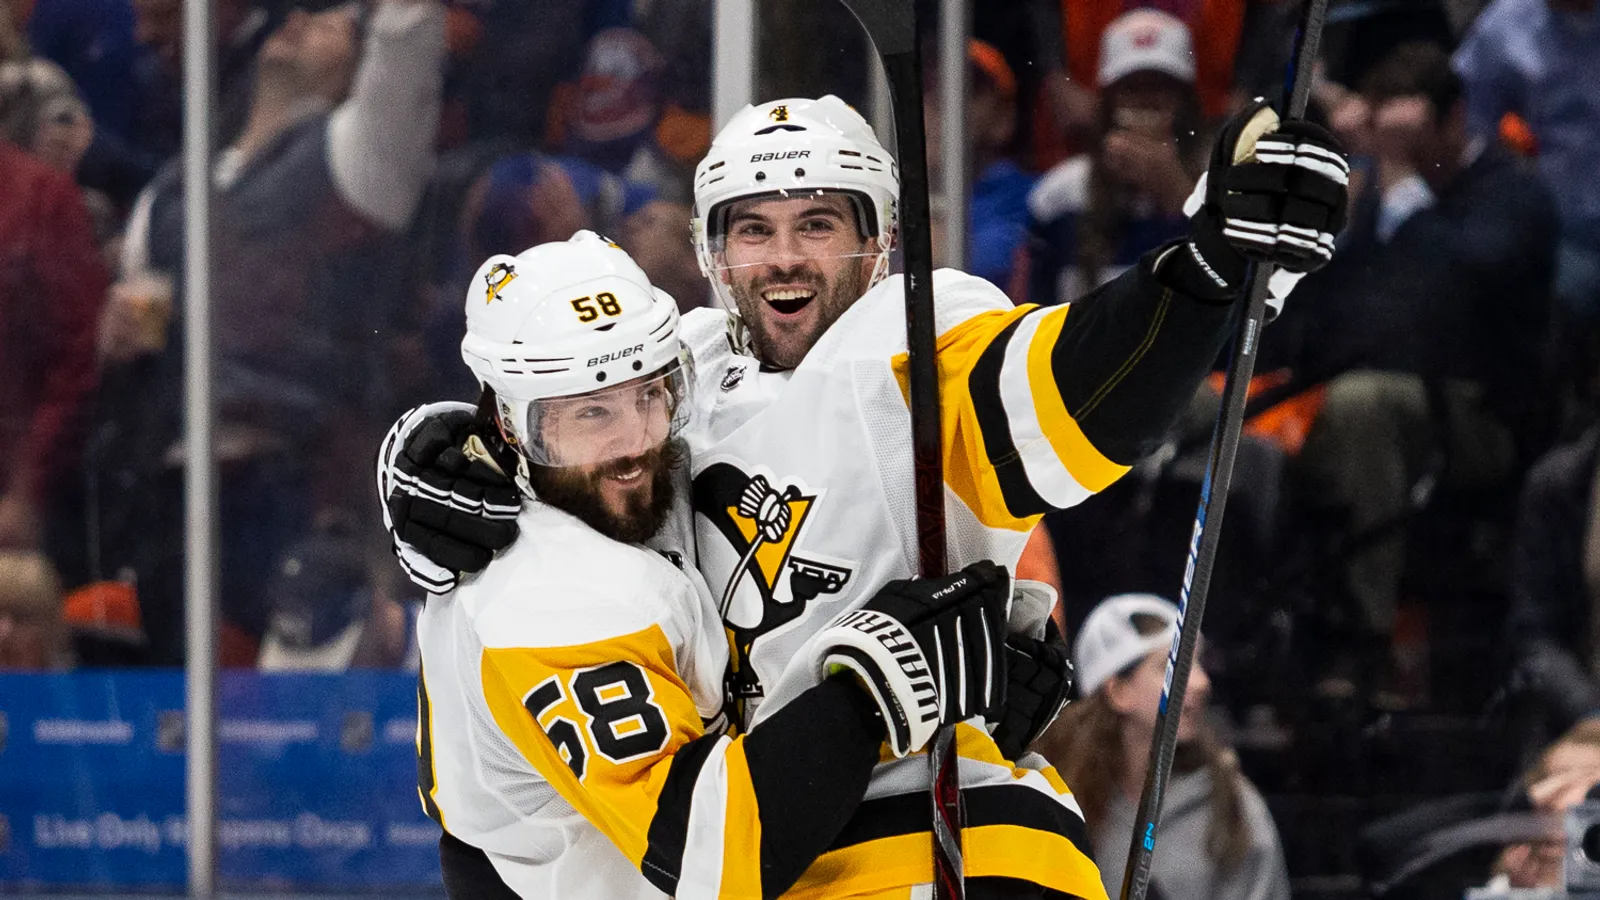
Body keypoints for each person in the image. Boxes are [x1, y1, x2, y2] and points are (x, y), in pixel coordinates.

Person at [383, 94, 1348, 896]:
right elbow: (553, 420)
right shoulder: (674, 373)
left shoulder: (916, 342)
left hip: (942, 829)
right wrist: (434, 459)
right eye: (753, 229)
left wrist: (1203, 278)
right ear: (714, 255)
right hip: (752, 846)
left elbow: (1070, 386)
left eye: (818, 223)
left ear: (878, 242)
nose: (787, 256)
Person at [407, 231, 1012, 899]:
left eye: (651, 392)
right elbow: (715, 853)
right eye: (591, 412)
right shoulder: (548, 601)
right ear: (513, 427)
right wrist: (873, 687)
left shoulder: (616, 494)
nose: (634, 440)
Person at [95, 0, 445, 664]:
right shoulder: (168, 198)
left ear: (358, 67)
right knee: (179, 720)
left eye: (330, 21)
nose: (299, 21)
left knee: (296, 708)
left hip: (297, 491)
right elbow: (127, 332)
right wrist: (110, 333)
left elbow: (409, 29)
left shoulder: (360, 157)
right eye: (300, 13)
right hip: (168, 501)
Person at [1273, 42, 1559, 684]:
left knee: (1362, 404)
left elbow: (1457, 284)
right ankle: (1252, 631)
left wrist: (1400, 189)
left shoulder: (1512, 195)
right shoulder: (1376, 201)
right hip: (1364, 389)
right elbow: (1331, 309)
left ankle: (1364, 638)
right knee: (1240, 412)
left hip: (1482, 416)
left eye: (1407, 138)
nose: (1395, 156)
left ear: (1453, 118)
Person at [1036, 593, 1291, 900]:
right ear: (1118, 691)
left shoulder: (1232, 805)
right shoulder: (1057, 807)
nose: (1200, 683)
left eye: (1198, 662)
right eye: (1173, 667)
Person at [1025, 10, 1205, 306]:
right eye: (1131, 89)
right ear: (1108, 102)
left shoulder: (1216, 188)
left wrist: (1175, 194)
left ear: (1185, 101)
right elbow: (1029, 309)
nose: (1145, 102)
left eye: (1160, 88)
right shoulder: (1059, 194)